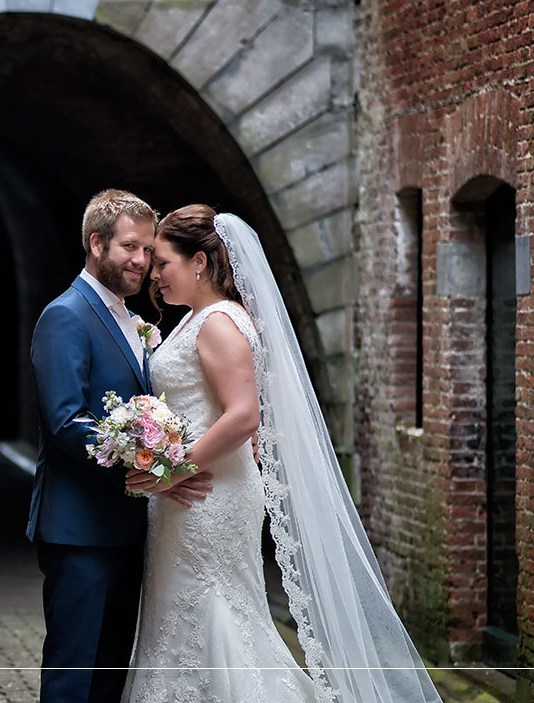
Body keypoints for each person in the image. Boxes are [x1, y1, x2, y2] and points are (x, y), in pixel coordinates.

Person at [121, 205, 442, 703]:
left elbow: (244, 415)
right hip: (195, 493)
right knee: (191, 613)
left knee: (214, 612)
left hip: (207, 497)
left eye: (163, 262)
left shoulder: (217, 323)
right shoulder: (199, 319)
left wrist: (169, 470)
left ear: (201, 262)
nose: (154, 275)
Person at [26, 190, 213, 703]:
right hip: (80, 529)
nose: (141, 260)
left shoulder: (131, 321)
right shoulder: (65, 315)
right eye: (130, 247)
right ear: (96, 244)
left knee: (111, 673)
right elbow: (66, 421)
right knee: (73, 671)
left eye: (149, 250)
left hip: (128, 528)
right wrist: (148, 468)